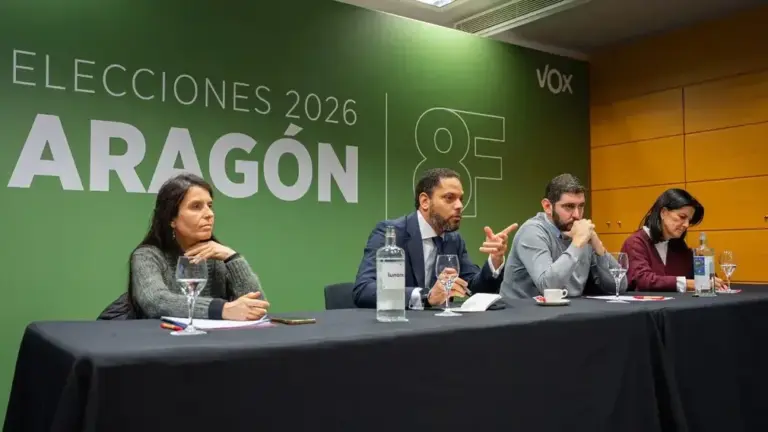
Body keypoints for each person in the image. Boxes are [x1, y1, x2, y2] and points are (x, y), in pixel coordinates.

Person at [353, 168, 518, 309]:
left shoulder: (454, 240)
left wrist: (495, 261)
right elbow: (364, 290)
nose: (460, 205)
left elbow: (473, 289)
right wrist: (426, 296)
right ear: (425, 201)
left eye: (461, 199)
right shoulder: (391, 234)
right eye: (449, 198)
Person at [128, 173, 269, 320]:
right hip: (163, 340)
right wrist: (222, 309)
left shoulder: (218, 256)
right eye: (196, 207)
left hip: (214, 341)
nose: (209, 214)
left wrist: (233, 258)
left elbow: (258, 307)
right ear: (171, 219)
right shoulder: (147, 256)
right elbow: (156, 301)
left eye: (209, 206)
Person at [500, 173, 626, 300]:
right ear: (547, 206)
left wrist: (598, 247)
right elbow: (548, 287)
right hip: (522, 314)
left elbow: (620, 286)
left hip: (566, 312)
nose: (577, 215)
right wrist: (577, 244)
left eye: (581, 206)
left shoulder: (579, 231)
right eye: (569, 207)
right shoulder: (532, 232)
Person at [621, 188, 725, 291]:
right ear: (663, 213)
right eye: (682, 217)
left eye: (689, 220)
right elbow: (643, 280)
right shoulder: (635, 243)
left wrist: (703, 263)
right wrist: (690, 283)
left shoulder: (678, 245)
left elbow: (706, 280)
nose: (686, 225)